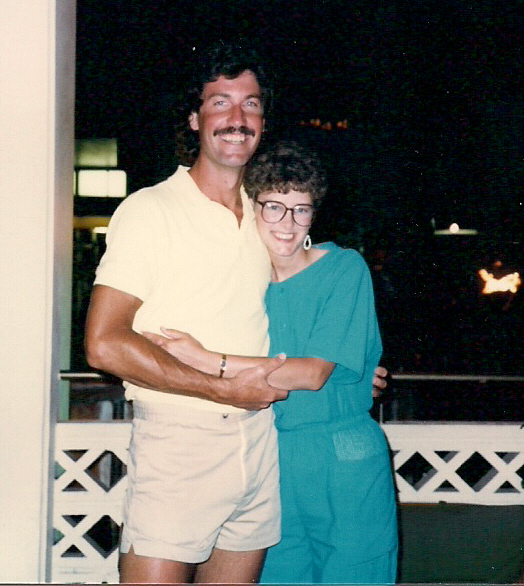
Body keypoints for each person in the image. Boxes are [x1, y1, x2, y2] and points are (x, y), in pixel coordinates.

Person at [85, 42, 388, 583]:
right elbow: (103, 343)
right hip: (183, 440)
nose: (236, 117)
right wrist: (219, 386)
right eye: (220, 102)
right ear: (194, 118)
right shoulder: (152, 209)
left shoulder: (265, 214)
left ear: (263, 122)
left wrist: (355, 370)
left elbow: (302, 300)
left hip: (262, 439)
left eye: (250, 104)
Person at [145, 141, 398, 584]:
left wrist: (206, 359)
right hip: (267, 455)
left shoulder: (343, 268)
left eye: (301, 210)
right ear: (253, 208)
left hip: (341, 455)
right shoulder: (244, 282)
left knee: (356, 574)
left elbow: (313, 374)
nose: (288, 223)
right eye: (274, 207)